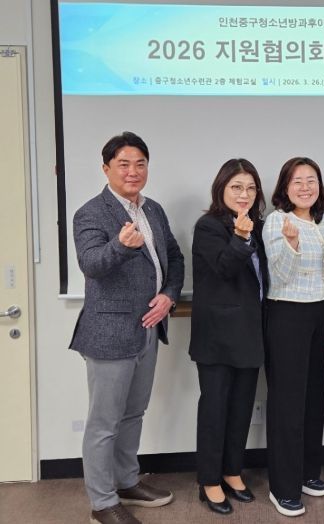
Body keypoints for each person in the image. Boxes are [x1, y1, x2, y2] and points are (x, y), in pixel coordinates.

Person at [70, 132, 184, 524]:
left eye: (140, 164)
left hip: (149, 328)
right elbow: (90, 264)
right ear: (106, 169)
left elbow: (174, 257)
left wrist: (169, 295)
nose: (133, 171)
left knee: (134, 413)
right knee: (104, 423)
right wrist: (120, 245)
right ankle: (102, 503)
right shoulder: (90, 213)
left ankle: (126, 481)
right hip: (109, 334)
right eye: (123, 164)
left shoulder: (153, 210)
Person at [189, 159, 268, 515]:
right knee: (215, 408)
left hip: (251, 332)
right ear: (221, 188)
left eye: (250, 188)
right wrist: (240, 236)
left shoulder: (259, 226)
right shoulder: (209, 226)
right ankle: (209, 480)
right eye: (236, 187)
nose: (244, 194)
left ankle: (232, 471)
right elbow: (223, 268)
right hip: (217, 336)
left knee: (241, 407)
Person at [262, 157, 324, 517]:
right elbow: (280, 276)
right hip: (286, 313)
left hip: (318, 313)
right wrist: (291, 244)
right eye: (297, 181)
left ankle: (307, 472)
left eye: (311, 181)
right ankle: (282, 487)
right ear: (285, 188)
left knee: (313, 397)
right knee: (287, 403)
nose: (305, 187)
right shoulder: (276, 221)